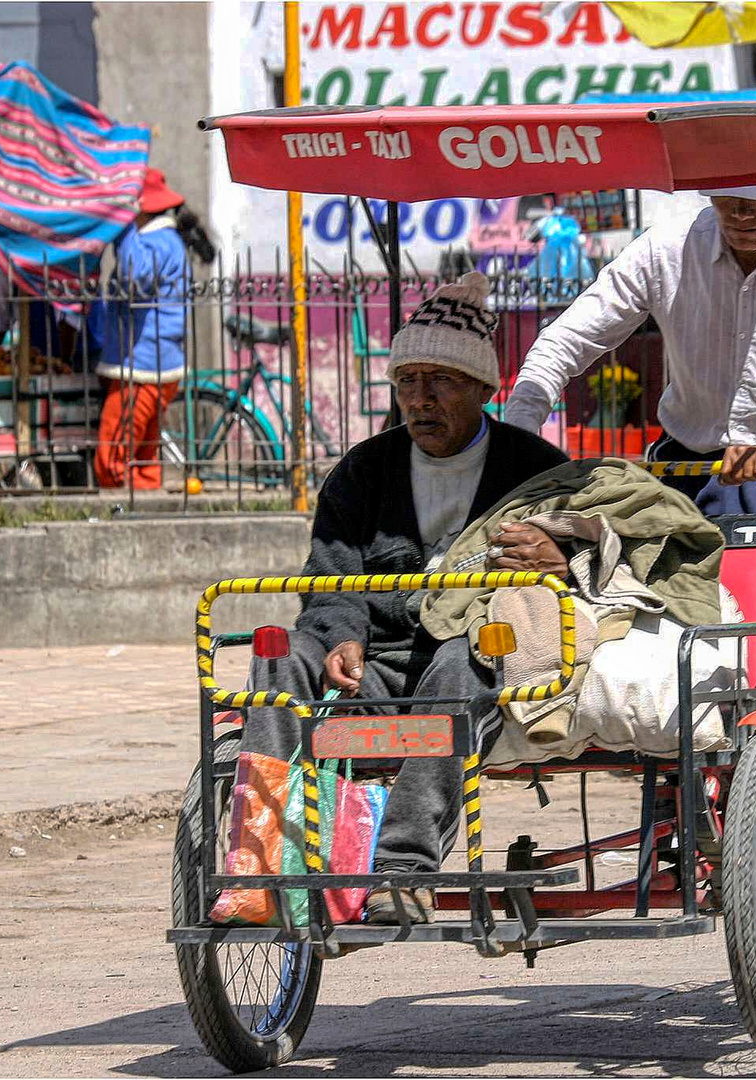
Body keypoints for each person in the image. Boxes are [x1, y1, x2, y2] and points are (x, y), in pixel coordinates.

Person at [238, 273, 569, 924]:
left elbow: (583, 558)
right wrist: (340, 636)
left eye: (439, 382)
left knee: (463, 658)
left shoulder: (533, 469)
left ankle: (402, 869)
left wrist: (561, 554)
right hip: (377, 669)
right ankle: (261, 862)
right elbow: (328, 573)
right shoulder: (363, 472)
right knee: (280, 656)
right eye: (407, 382)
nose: (419, 400)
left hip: (478, 672)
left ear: (482, 388)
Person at [503, 182, 756, 686]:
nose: (741, 214)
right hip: (686, 471)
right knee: (665, 632)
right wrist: (520, 427)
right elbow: (570, 336)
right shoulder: (666, 247)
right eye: (728, 198)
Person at [88, 167, 188, 490]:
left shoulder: (156, 241)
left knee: (113, 459)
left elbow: (134, 277)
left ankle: (121, 514)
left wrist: (124, 228)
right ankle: (146, 506)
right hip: (152, 363)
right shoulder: (165, 240)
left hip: (141, 367)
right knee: (143, 459)